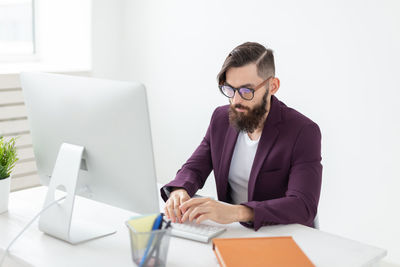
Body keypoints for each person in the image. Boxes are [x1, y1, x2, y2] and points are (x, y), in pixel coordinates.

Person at [160, 42, 322, 231]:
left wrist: (236, 212)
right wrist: (180, 189)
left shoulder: (303, 131)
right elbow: (194, 168)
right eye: (229, 89)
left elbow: (303, 205)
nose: (235, 101)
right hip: (234, 233)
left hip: (282, 234)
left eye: (246, 91)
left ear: (272, 86)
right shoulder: (221, 119)